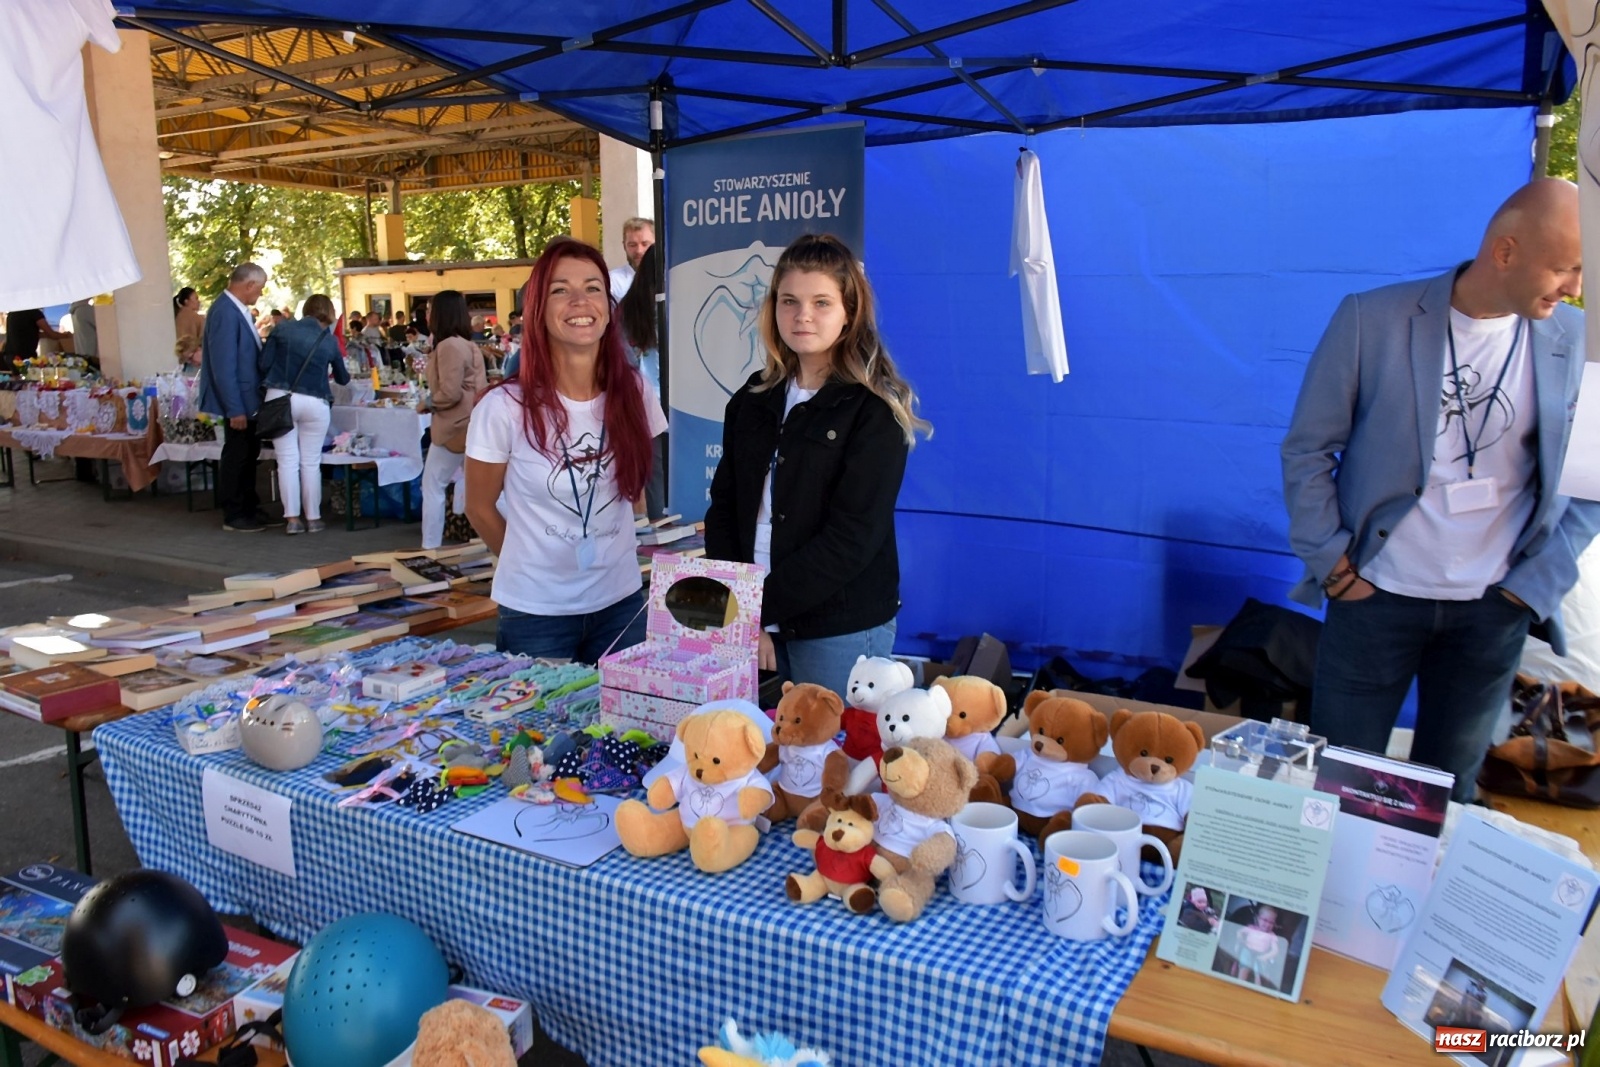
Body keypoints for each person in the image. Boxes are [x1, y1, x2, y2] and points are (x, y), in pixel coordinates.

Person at [1282, 178, 1600, 803]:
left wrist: (1530, 590)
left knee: (1450, 794)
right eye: (1565, 268)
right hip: (1374, 598)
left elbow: (1591, 486)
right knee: (1341, 792)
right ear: (1505, 252)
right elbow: (1308, 449)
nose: (1576, 289)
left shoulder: (1582, 342)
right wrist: (1332, 562)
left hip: (1493, 611)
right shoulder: (1370, 320)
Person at [703, 233, 931, 698]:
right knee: (754, 754)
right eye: (789, 300)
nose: (802, 315)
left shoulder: (873, 410)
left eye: (821, 302)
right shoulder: (751, 400)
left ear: (849, 312)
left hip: (837, 629)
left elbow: (851, 538)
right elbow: (724, 507)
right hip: (754, 622)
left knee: (833, 764)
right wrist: (744, 614)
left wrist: (755, 609)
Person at [464, 240, 666, 661]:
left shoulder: (636, 393)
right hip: (537, 614)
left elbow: (639, 494)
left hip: (621, 604)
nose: (580, 301)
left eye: (594, 288)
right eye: (561, 289)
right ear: (537, 309)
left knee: (623, 726)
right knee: (541, 727)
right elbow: (479, 507)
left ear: (609, 308)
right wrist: (532, 566)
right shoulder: (503, 407)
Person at [257, 294, 349, 535]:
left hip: (280, 398)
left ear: (305, 309)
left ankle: (292, 520)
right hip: (316, 402)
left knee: (287, 460)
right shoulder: (328, 340)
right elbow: (343, 378)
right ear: (328, 312)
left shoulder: (282, 329)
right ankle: (314, 518)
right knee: (311, 461)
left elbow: (264, 364)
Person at [198, 262, 278, 533]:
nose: (260, 294)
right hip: (239, 402)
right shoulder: (225, 312)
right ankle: (234, 512)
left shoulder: (234, 310)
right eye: (261, 288)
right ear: (249, 285)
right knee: (237, 455)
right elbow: (224, 366)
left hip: (247, 399)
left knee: (248, 453)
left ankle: (248, 505)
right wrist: (235, 409)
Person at [420, 290, 488, 549]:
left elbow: (450, 392)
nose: (426, 315)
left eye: (429, 310)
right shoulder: (469, 345)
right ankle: (506, 546)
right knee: (489, 492)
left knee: (433, 487)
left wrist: (427, 403)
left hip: (453, 428)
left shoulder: (449, 346)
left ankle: (430, 549)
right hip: (473, 424)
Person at [618, 244, 667, 518]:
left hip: (649, 407)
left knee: (657, 477)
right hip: (653, 407)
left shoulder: (628, 308)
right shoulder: (631, 310)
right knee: (657, 475)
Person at [609, 217, 654, 301]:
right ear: (624, 246)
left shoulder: (670, 278)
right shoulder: (612, 282)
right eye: (632, 245)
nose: (639, 251)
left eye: (645, 244)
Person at [1233, 906, 1281, 985]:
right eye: (1265, 920)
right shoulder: (1251, 928)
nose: (1267, 924)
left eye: (1271, 922)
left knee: (1260, 973)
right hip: (1248, 949)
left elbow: (1275, 950)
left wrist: (1265, 957)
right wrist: (1240, 940)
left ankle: (1257, 987)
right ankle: (1240, 982)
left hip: (1261, 955)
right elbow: (1239, 932)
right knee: (1245, 965)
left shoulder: (1272, 935)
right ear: (1258, 918)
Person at [174, 286, 205, 371]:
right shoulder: (197, 318)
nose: (198, 302)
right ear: (186, 301)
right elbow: (205, 339)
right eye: (195, 298)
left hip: (183, 360)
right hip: (195, 360)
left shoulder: (177, 316)